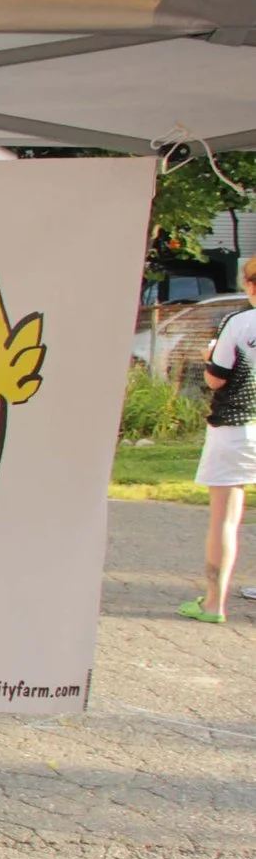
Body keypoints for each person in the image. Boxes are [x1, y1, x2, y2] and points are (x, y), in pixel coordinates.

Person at [182, 255, 256, 623]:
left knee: (225, 520)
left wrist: (208, 356)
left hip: (238, 427)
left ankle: (214, 603)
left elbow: (216, 377)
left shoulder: (240, 323)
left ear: (250, 283)